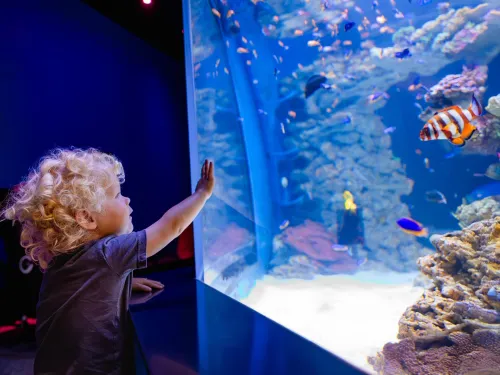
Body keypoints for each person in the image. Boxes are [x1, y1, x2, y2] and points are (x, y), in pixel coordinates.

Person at [0, 148, 215, 374]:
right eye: (117, 195)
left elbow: (83, 291)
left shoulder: (64, 260)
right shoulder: (106, 253)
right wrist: (201, 194)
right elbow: (171, 226)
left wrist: (120, 284)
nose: (127, 199)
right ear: (86, 217)